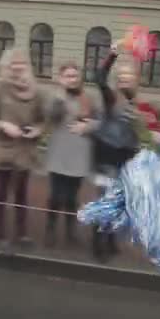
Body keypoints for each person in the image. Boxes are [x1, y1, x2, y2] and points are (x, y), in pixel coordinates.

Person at [0, 49, 46, 245]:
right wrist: (2, 125)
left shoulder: (36, 90)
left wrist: (37, 130)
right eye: (14, 64)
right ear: (7, 66)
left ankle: (22, 234)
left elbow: (41, 120)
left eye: (22, 63)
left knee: (21, 195)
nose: (18, 67)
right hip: (2, 151)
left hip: (24, 151)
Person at [91, 40, 150, 261]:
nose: (125, 79)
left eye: (129, 76)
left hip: (124, 160)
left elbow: (134, 131)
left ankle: (111, 240)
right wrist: (111, 55)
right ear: (118, 79)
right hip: (106, 156)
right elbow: (98, 79)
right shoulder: (110, 98)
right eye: (122, 76)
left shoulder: (135, 102)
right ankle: (98, 245)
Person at [44, 62, 100, 247]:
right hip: (58, 153)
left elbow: (101, 121)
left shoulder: (88, 97)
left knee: (71, 197)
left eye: (75, 76)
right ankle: (50, 229)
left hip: (78, 153)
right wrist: (60, 96)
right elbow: (50, 116)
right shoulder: (54, 96)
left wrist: (88, 126)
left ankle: (70, 231)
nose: (72, 79)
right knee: (55, 196)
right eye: (68, 76)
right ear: (61, 78)